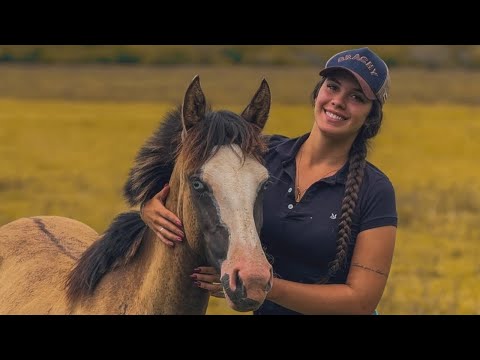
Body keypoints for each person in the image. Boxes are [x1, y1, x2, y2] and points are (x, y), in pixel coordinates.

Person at [139, 47, 397, 315]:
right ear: (318, 93)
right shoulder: (262, 157)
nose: (338, 101)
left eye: (356, 97)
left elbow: (361, 301)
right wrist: (150, 206)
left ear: (371, 116)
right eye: (332, 87)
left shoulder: (375, 190)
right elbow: (198, 181)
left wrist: (265, 286)